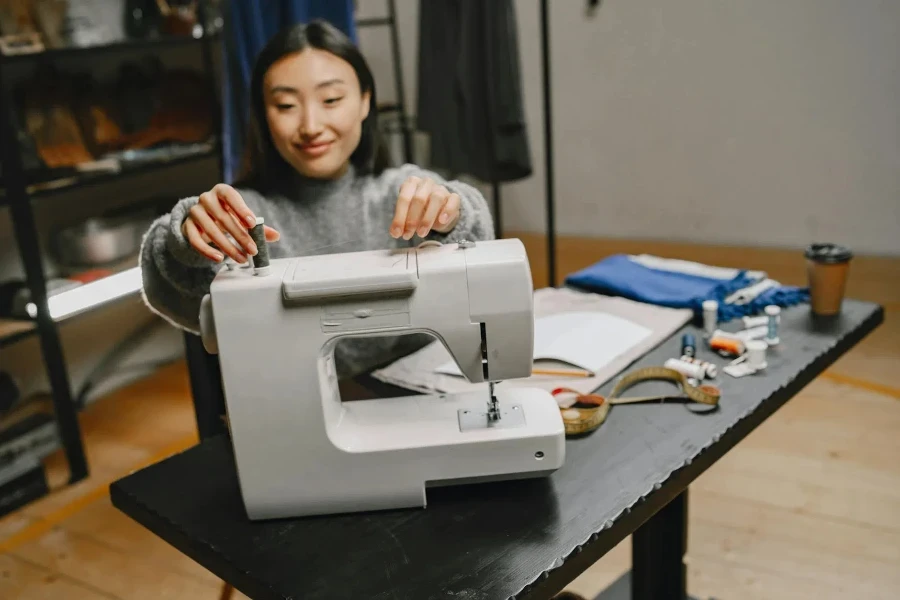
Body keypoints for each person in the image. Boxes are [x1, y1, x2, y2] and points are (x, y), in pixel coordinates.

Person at [139, 20, 495, 380]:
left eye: (331, 100)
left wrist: (455, 213)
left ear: (365, 102)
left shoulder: (407, 193)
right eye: (286, 104)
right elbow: (177, 297)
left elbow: (481, 255)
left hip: (414, 393)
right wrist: (185, 239)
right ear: (263, 115)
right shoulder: (240, 218)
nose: (311, 125)